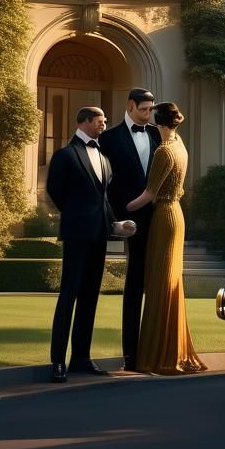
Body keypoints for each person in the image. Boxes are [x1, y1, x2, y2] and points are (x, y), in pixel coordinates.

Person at [46, 107, 134, 383]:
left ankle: (81, 358)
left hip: (99, 236)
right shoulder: (65, 155)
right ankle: (58, 361)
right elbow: (55, 191)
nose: (104, 126)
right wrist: (76, 216)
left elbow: (104, 200)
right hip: (76, 234)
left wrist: (116, 225)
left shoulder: (105, 159)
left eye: (105, 121)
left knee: (90, 297)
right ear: (84, 121)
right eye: (100, 121)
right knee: (68, 295)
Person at [126, 102, 206, 375]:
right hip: (177, 215)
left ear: (157, 123)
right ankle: (172, 349)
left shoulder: (163, 151)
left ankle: (158, 355)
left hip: (164, 216)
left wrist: (119, 211)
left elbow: (149, 195)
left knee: (160, 284)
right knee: (169, 283)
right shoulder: (180, 145)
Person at [98, 87, 160, 372]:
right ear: (130, 105)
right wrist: (118, 219)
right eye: (143, 110)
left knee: (158, 284)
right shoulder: (108, 139)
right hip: (128, 220)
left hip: (159, 218)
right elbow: (106, 185)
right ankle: (131, 354)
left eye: (151, 110)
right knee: (134, 283)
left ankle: (157, 349)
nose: (148, 115)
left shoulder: (158, 135)